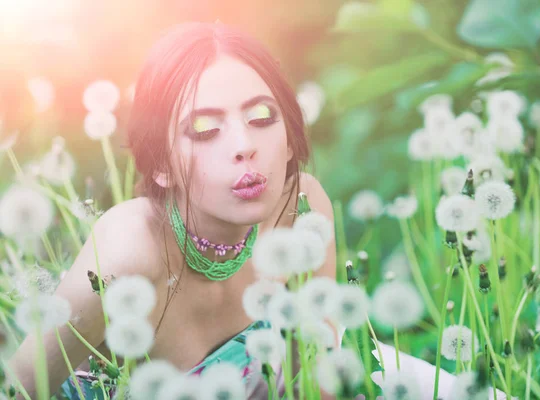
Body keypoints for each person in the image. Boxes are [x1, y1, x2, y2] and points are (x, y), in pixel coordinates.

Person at [7, 22, 338, 399]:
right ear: (161, 164)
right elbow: (15, 391)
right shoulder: (129, 249)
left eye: (261, 117)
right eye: (204, 129)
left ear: (291, 137)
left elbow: (318, 381)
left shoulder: (303, 214)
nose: (244, 145)